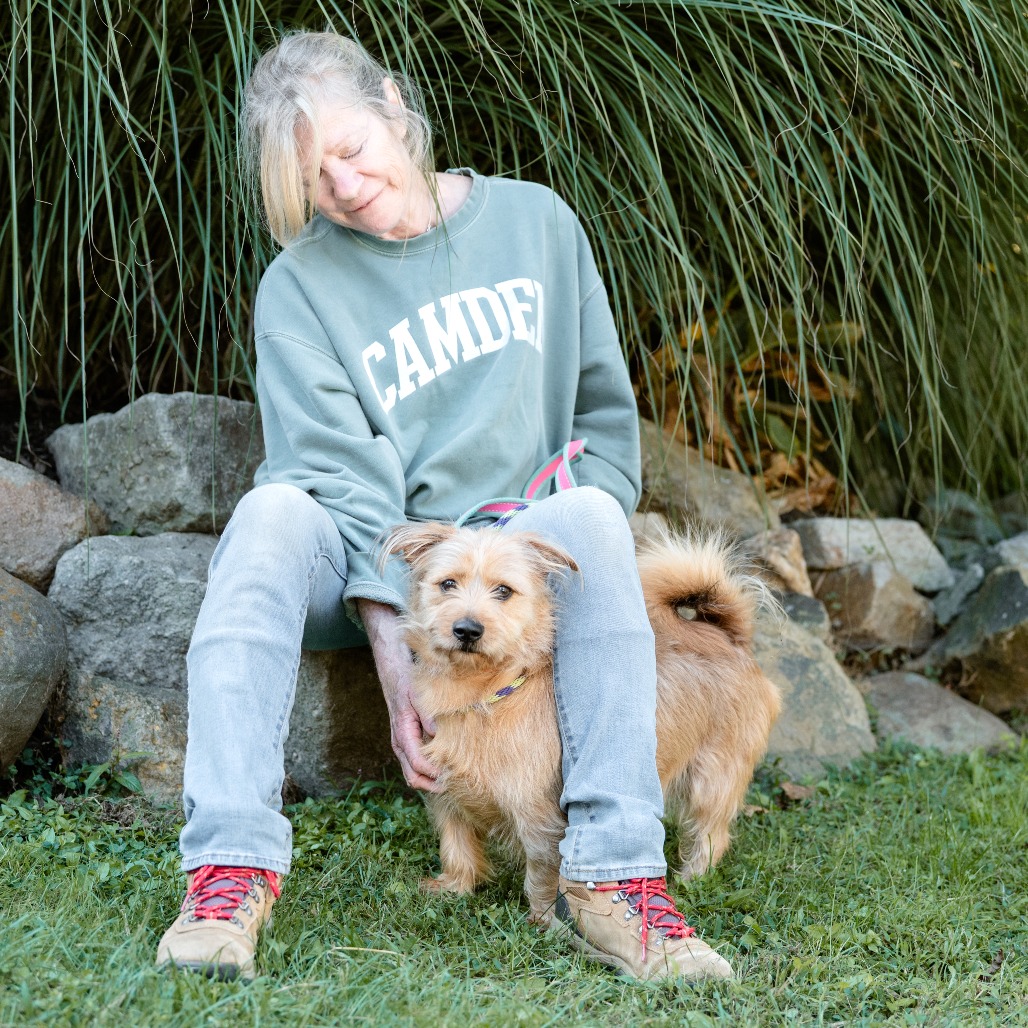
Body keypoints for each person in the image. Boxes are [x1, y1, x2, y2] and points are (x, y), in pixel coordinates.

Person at [155, 29, 733, 983]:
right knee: (267, 516)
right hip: (375, 562)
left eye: (351, 149)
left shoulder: (537, 223)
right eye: (313, 179)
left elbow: (603, 415)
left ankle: (611, 878)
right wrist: (402, 659)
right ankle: (229, 871)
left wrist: (534, 559)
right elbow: (338, 477)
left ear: (393, 105)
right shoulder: (298, 288)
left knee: (594, 515)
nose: (343, 187)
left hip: (518, 548)